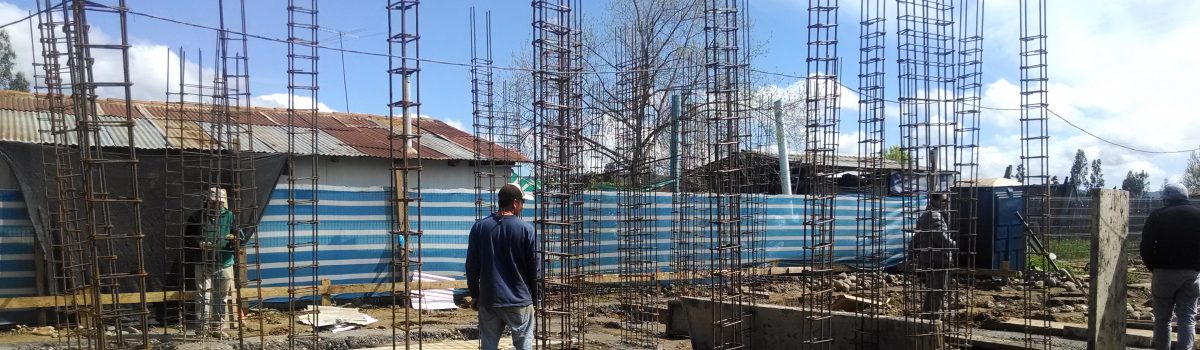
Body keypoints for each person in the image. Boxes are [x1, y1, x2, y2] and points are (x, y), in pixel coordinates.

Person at [465, 183, 539, 350]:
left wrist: (475, 294)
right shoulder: (527, 230)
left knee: (488, 345)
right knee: (523, 345)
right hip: (519, 299)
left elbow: (471, 265)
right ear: (514, 203)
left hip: (489, 299)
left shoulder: (479, 228)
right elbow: (534, 267)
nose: (522, 206)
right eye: (522, 202)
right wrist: (535, 296)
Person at [1141, 183, 1200, 350]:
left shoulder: (1158, 215)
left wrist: (1152, 266)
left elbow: (1145, 246)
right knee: (1187, 317)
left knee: (1163, 318)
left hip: (1163, 272)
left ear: (1166, 199)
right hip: (1192, 273)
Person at [184, 187, 246, 338]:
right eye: (213, 202)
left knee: (221, 297)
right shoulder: (196, 217)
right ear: (207, 201)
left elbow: (241, 237)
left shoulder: (231, 216)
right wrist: (200, 244)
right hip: (202, 262)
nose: (217, 205)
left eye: (220, 202)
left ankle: (217, 328)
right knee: (203, 296)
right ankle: (202, 330)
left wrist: (234, 238)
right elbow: (188, 237)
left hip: (224, 262)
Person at [911, 193, 956, 319]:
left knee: (932, 289)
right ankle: (934, 318)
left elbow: (917, 237)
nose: (946, 203)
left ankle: (927, 316)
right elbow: (939, 237)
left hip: (928, 257)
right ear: (935, 201)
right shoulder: (935, 215)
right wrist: (954, 245)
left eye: (947, 201)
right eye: (943, 200)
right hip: (938, 258)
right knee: (940, 289)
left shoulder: (924, 215)